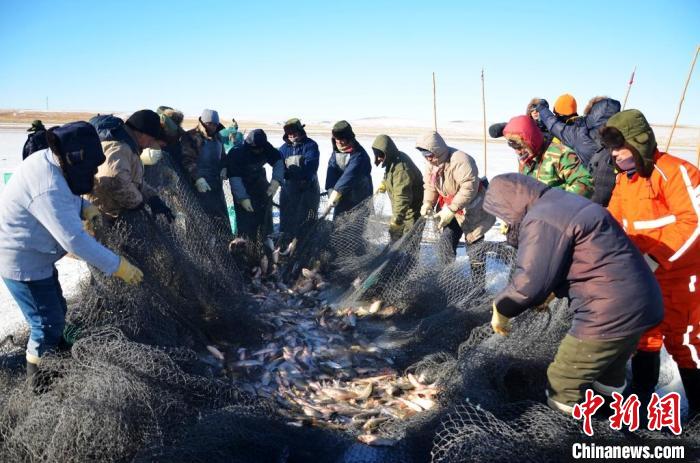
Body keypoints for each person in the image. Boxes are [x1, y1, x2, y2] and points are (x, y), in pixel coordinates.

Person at [484, 173, 663, 414]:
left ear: (509, 201)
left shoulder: (542, 218)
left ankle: (566, 442)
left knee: (563, 381)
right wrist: (550, 293)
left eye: (503, 214)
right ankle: (607, 421)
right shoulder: (563, 201)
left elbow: (528, 283)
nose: (505, 220)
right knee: (609, 372)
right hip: (644, 303)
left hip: (608, 312)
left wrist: (502, 308)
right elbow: (584, 258)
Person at [0, 122, 144, 386]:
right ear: (73, 156)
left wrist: (83, 205)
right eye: (88, 167)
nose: (91, 172)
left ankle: (53, 354)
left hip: (38, 256)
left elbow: (68, 191)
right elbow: (73, 240)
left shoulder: (54, 161)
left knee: (56, 308)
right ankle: (41, 384)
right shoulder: (47, 184)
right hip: (23, 263)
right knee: (45, 325)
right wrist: (118, 266)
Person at [603, 109, 700, 418]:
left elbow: (693, 221)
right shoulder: (624, 182)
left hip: (682, 276)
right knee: (645, 336)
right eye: (612, 150)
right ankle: (641, 399)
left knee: (684, 342)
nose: (616, 156)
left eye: (621, 148)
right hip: (643, 277)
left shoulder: (675, 172)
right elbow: (613, 223)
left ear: (639, 143)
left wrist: (656, 257)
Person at [417, 131, 495, 263]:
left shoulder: (460, 160)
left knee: (475, 248)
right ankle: (447, 277)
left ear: (437, 150)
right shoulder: (432, 164)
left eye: (429, 154)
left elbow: (469, 187)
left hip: (473, 208)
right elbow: (430, 186)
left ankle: (478, 283)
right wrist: (428, 202)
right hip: (451, 209)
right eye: (424, 154)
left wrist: (452, 208)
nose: (427, 158)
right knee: (445, 244)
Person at [87, 110, 174, 221]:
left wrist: (152, 198)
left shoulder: (130, 146)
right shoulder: (120, 147)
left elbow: (133, 179)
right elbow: (114, 178)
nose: (149, 145)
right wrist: (137, 203)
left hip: (110, 215)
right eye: (151, 139)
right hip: (99, 216)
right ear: (142, 133)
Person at [535, 97, 621, 206]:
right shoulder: (622, 138)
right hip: (615, 200)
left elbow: (554, 125)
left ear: (592, 113)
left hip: (586, 196)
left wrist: (542, 109)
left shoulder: (580, 135)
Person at [502, 115, 593, 198]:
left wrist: (559, 204)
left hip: (555, 212)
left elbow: (585, 182)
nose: (517, 151)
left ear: (530, 141)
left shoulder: (561, 154)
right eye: (513, 147)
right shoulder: (525, 158)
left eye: (520, 146)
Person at [225, 129, 285, 241]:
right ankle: (247, 245)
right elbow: (234, 178)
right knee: (246, 221)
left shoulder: (266, 147)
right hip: (243, 185)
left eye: (261, 148)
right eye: (256, 148)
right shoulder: (237, 153)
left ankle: (266, 242)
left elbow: (278, 161)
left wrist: (275, 181)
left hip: (260, 183)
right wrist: (242, 198)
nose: (259, 151)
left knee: (264, 218)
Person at [181, 109, 229, 227]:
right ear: (202, 122)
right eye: (209, 123)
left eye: (215, 124)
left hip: (216, 186)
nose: (212, 126)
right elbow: (187, 160)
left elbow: (223, 157)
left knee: (220, 221)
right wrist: (198, 178)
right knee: (200, 222)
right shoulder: (191, 137)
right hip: (197, 187)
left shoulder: (218, 138)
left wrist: (224, 167)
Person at [278, 118, 320, 250]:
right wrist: (284, 175)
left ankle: (306, 247)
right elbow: (280, 166)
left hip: (308, 188)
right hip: (289, 188)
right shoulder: (283, 149)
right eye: (289, 133)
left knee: (306, 219)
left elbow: (312, 164)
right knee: (287, 219)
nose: (292, 135)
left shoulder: (311, 145)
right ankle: (286, 246)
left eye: (294, 132)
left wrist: (305, 179)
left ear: (300, 131)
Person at [372, 134, 423, 242]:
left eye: (381, 155)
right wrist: (384, 184)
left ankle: (406, 259)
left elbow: (402, 197)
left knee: (408, 243)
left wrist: (396, 221)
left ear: (387, 152)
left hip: (411, 214)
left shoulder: (401, 168)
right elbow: (391, 176)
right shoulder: (393, 159)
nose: (379, 158)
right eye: (377, 155)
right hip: (402, 211)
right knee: (397, 243)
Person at [323, 121, 373, 219]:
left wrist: (337, 192)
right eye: (337, 140)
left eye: (342, 140)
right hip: (341, 198)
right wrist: (330, 190)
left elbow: (350, 174)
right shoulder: (336, 153)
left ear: (349, 138)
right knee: (337, 227)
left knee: (355, 229)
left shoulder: (359, 155)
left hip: (359, 198)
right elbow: (331, 171)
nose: (339, 143)